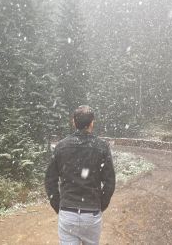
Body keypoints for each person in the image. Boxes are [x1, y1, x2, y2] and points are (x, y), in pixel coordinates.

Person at [45, 105, 116, 245]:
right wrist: (101, 204)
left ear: (73, 123)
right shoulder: (102, 147)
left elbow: (49, 180)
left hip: (67, 212)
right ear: (92, 123)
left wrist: (58, 204)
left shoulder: (61, 146)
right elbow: (110, 182)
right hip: (92, 214)